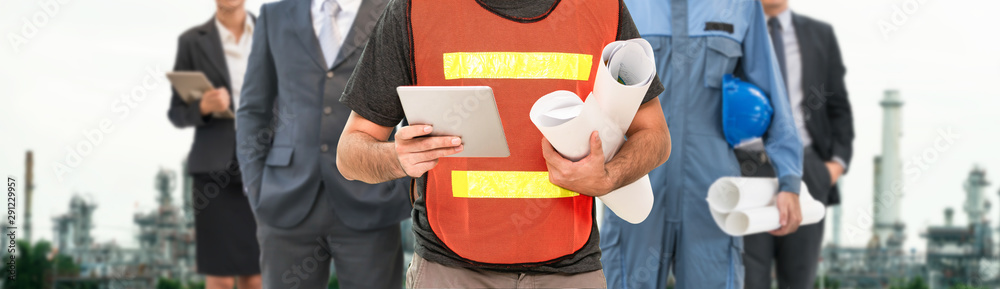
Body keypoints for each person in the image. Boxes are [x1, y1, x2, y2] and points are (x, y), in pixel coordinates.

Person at [335, 0, 670, 287]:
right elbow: (350, 153)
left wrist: (609, 176)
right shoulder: (415, 10)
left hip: (570, 273)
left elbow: (654, 135)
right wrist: (397, 157)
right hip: (449, 272)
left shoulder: (602, 8)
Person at [599, 0, 805, 288]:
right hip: (634, 184)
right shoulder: (620, 3)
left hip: (712, 195)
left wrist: (789, 179)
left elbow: (773, 94)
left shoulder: (740, 5)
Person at [235, 0, 411, 288]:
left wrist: (403, 189)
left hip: (373, 201)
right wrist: (256, 185)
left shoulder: (393, 9)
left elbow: (413, 99)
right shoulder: (275, 14)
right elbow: (253, 109)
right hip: (284, 201)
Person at [739, 0, 854, 288]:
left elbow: (838, 106)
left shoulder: (820, 35)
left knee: (799, 278)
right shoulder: (735, 28)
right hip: (746, 169)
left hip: (808, 171)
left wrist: (833, 167)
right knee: (747, 279)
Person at [167, 0, 261, 288]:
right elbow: (177, 113)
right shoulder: (191, 42)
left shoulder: (271, 31)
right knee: (219, 276)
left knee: (256, 276)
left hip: (263, 165)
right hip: (213, 173)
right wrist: (203, 107)